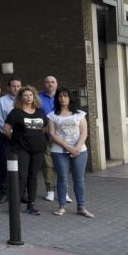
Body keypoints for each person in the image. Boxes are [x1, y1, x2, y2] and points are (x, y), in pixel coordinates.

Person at [48, 88, 93, 218]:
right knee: (62, 178)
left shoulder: (79, 114)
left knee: (79, 179)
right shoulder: (52, 115)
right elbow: (52, 134)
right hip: (59, 151)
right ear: (57, 99)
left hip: (80, 151)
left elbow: (84, 132)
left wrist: (77, 148)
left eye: (65, 96)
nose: (63, 99)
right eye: (60, 96)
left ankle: (81, 207)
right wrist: (68, 147)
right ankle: (62, 206)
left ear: (70, 98)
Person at [3, 86, 47, 216]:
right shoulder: (15, 112)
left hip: (38, 149)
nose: (28, 97)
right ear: (21, 98)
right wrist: (17, 140)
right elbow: (6, 129)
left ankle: (31, 205)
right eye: (25, 95)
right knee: (21, 176)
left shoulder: (40, 112)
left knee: (33, 176)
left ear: (34, 97)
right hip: (21, 149)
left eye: (30, 95)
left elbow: (44, 128)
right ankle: (15, 206)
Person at [0, 78, 21, 204]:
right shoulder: (1, 101)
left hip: (22, 138)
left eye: (18, 86)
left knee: (22, 165)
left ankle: (22, 192)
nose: (16, 88)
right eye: (13, 86)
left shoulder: (25, 99)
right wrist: (9, 133)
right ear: (8, 87)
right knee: (4, 165)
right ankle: (4, 192)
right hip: (6, 138)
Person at [39, 76, 60, 202]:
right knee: (48, 164)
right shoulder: (39, 98)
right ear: (44, 84)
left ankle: (64, 191)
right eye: (47, 82)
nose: (50, 84)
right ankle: (50, 190)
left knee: (62, 165)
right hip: (45, 136)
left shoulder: (62, 96)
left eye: (52, 82)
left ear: (56, 84)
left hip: (62, 137)